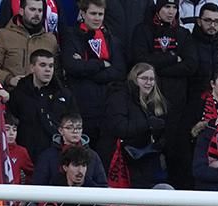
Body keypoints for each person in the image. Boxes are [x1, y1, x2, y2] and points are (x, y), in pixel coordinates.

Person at [132, 0, 197, 187]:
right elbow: (139, 60)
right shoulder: (143, 31)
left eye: (174, 7)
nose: (171, 11)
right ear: (158, 8)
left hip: (177, 105)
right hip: (148, 102)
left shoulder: (183, 34)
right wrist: (172, 58)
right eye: (167, 7)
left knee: (177, 155)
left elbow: (191, 66)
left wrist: (157, 67)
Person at [60, 0, 125, 145]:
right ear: (83, 14)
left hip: (107, 107)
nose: (97, 18)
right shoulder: (71, 36)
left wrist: (86, 67)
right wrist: (102, 64)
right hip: (82, 105)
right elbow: (72, 66)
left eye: (100, 14)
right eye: (93, 13)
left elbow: (119, 72)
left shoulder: (111, 39)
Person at [106, 63, 168, 189]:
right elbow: (120, 128)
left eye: (152, 79)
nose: (149, 83)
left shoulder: (155, 102)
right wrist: (148, 124)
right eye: (144, 78)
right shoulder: (120, 96)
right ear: (134, 78)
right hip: (124, 159)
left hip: (147, 159)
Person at [7, 49, 77, 160]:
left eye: (51, 66)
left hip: (58, 155)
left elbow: (74, 121)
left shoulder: (64, 94)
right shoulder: (18, 94)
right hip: (28, 155)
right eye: (43, 65)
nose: (48, 70)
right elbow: (12, 123)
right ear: (32, 67)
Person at [0, 0, 57, 89]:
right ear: (21, 11)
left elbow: (57, 71)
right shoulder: (3, 35)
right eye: (32, 9)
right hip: (11, 92)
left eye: (40, 10)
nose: (37, 14)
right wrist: (9, 79)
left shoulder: (50, 40)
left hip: (42, 94)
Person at [31, 113, 107, 186]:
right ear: (60, 130)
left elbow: (102, 185)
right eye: (69, 128)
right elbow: (38, 185)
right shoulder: (48, 156)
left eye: (79, 128)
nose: (75, 131)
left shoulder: (92, 155)